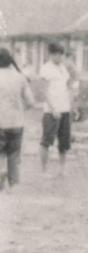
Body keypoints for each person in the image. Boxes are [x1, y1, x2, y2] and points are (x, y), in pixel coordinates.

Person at [0, 48, 35, 192]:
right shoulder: (19, 77)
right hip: (16, 123)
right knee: (14, 155)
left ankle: (1, 178)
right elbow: (31, 102)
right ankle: (13, 186)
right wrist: (21, 110)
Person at [39, 42, 72, 177]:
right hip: (51, 111)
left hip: (65, 109)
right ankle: (44, 170)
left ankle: (62, 169)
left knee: (64, 142)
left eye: (61, 55)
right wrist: (53, 108)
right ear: (51, 54)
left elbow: (66, 87)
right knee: (46, 141)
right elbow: (44, 91)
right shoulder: (46, 68)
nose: (60, 57)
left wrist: (70, 105)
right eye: (57, 54)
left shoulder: (63, 68)